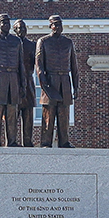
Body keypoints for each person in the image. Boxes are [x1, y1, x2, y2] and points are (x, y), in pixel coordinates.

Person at [0, 14, 31, 146]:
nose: (6, 24)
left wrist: (23, 85)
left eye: (8, 22)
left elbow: (21, 65)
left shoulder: (16, 41)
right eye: (3, 22)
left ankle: (12, 141)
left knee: (12, 111)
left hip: (14, 77)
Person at [34, 15, 79, 148]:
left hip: (65, 80)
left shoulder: (68, 42)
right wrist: (44, 85)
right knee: (49, 114)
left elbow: (74, 67)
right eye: (55, 24)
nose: (58, 27)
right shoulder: (43, 41)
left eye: (60, 24)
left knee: (64, 115)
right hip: (50, 80)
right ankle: (46, 142)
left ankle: (64, 141)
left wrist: (76, 87)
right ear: (50, 26)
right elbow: (39, 66)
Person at [12, 19, 37, 147]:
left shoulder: (32, 45)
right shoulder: (11, 44)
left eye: (24, 27)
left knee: (28, 112)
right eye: (19, 28)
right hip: (14, 81)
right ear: (14, 30)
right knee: (13, 112)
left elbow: (38, 65)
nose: (22, 30)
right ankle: (12, 140)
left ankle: (27, 140)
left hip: (28, 80)